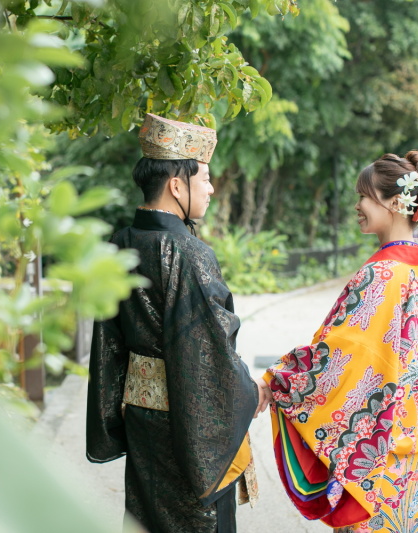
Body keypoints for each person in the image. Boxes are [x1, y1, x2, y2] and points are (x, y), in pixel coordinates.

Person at [86, 113, 272, 533]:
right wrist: (251, 390)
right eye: (204, 177)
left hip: (142, 421)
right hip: (192, 428)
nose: (210, 188)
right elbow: (212, 354)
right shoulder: (189, 253)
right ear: (176, 183)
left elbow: (108, 345)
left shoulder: (118, 244)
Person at [264, 151, 418, 532]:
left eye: (364, 197)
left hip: (380, 447)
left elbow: (341, 354)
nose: (358, 205)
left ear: (394, 203)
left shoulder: (383, 273)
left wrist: (279, 381)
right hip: (417, 439)